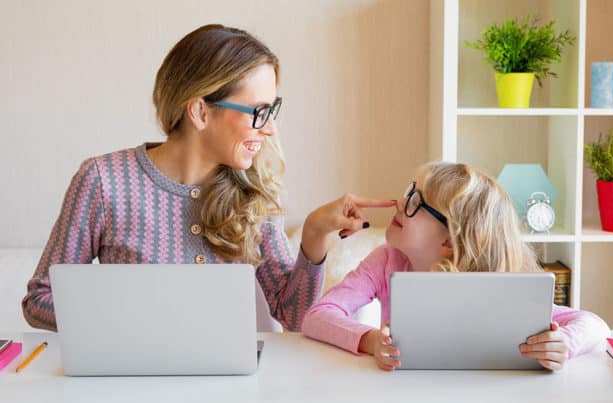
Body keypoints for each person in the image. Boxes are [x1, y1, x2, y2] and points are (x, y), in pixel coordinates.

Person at [21, 24, 393, 332]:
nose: (270, 129)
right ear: (200, 111)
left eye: (272, 111)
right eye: (258, 112)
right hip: (132, 383)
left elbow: (293, 316)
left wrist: (314, 236)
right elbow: (40, 299)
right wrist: (126, 319)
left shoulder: (254, 194)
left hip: (229, 384)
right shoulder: (104, 181)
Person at [302, 162, 610, 370]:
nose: (400, 201)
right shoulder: (386, 261)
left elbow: (595, 324)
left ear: (450, 240)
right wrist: (371, 342)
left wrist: (563, 344)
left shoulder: (494, 284)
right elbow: (317, 316)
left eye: (416, 202)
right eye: (410, 191)